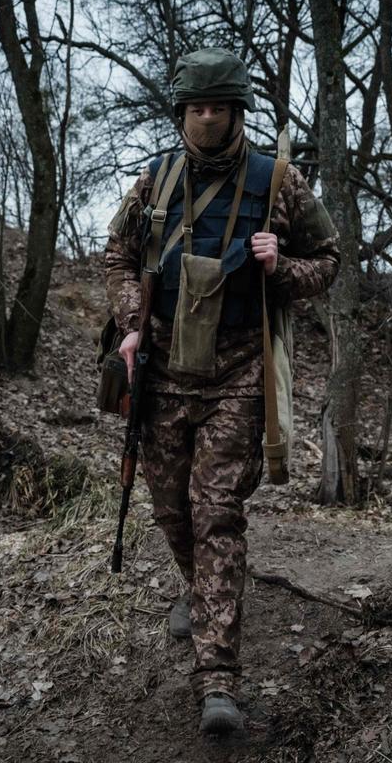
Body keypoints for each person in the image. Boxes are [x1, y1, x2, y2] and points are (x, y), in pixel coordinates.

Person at [103, 48, 339, 735]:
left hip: (238, 370)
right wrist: (129, 324)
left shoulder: (277, 183)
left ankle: (219, 681)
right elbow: (116, 254)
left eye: (218, 108)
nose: (207, 120)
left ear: (238, 111)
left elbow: (328, 260)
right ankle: (200, 591)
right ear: (182, 111)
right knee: (171, 510)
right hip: (164, 369)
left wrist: (280, 266)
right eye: (196, 109)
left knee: (216, 512)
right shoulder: (153, 180)